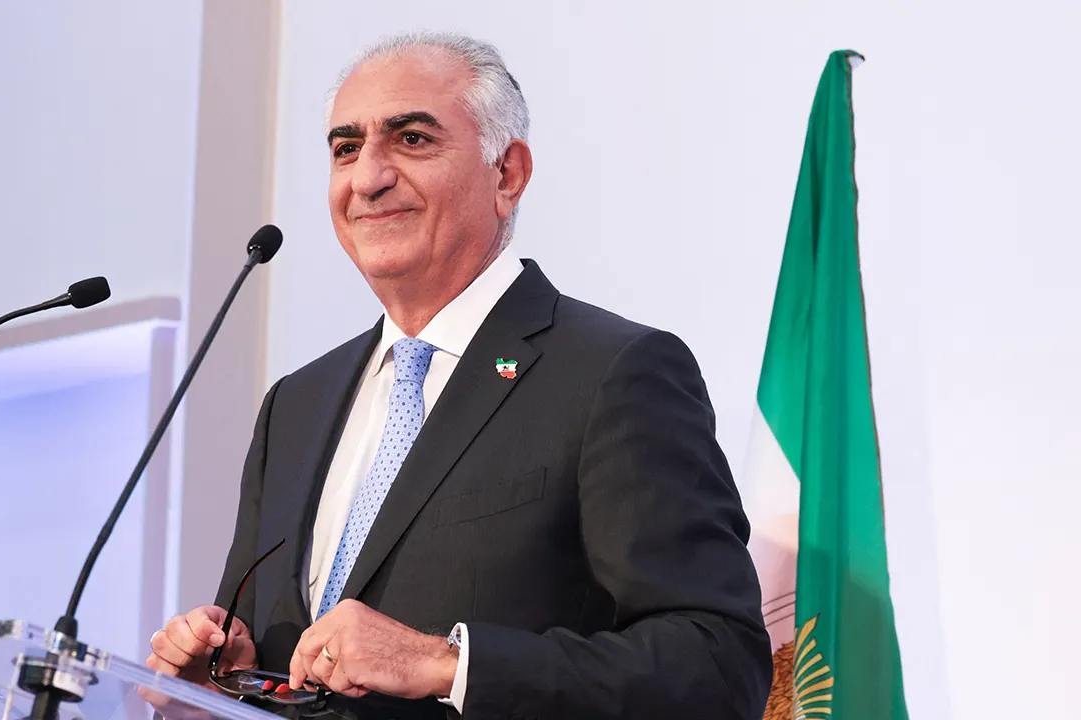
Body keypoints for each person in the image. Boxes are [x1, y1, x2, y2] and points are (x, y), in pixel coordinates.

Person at [147, 31, 771, 719]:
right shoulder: (294, 406)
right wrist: (224, 682)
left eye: (411, 139)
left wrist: (448, 665)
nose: (367, 178)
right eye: (345, 148)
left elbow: (718, 665)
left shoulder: (613, 374)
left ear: (507, 174)